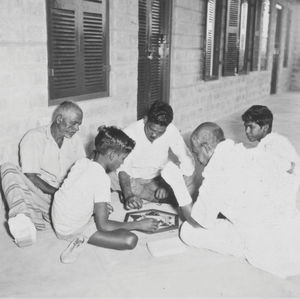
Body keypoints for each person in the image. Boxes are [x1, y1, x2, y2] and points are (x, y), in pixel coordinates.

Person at [180, 122, 300, 278]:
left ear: (206, 148)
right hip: (294, 237)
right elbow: (291, 168)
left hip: (271, 254)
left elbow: (198, 222)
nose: (199, 160)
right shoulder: (252, 153)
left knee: (187, 231)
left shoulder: (214, 175)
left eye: (197, 154)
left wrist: (178, 189)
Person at [52, 126, 159, 264]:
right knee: (130, 240)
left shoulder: (81, 162)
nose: (122, 163)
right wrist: (138, 224)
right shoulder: (102, 178)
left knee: (104, 209)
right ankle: (81, 236)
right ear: (112, 156)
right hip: (70, 229)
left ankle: (91, 220)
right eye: (122, 158)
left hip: (60, 220)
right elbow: (104, 225)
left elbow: (78, 193)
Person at [0, 101, 85, 247]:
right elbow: (31, 177)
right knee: (7, 168)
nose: (77, 129)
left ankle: (43, 218)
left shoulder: (74, 140)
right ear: (59, 119)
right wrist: (59, 193)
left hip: (66, 200)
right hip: (42, 195)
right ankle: (23, 222)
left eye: (79, 124)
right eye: (73, 124)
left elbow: (83, 171)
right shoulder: (34, 137)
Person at [116, 101, 195, 211]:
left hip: (159, 178)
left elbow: (186, 159)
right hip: (134, 179)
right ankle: (147, 196)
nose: (154, 135)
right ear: (145, 119)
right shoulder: (130, 133)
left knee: (189, 179)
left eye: (160, 132)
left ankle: (151, 196)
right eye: (151, 129)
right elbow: (123, 169)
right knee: (118, 181)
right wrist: (128, 195)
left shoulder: (171, 130)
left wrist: (166, 185)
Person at [242, 105, 299, 174]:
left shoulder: (273, 144)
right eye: (246, 126)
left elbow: (290, 166)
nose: (247, 131)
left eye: (251, 127)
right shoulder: (271, 140)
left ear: (265, 128)